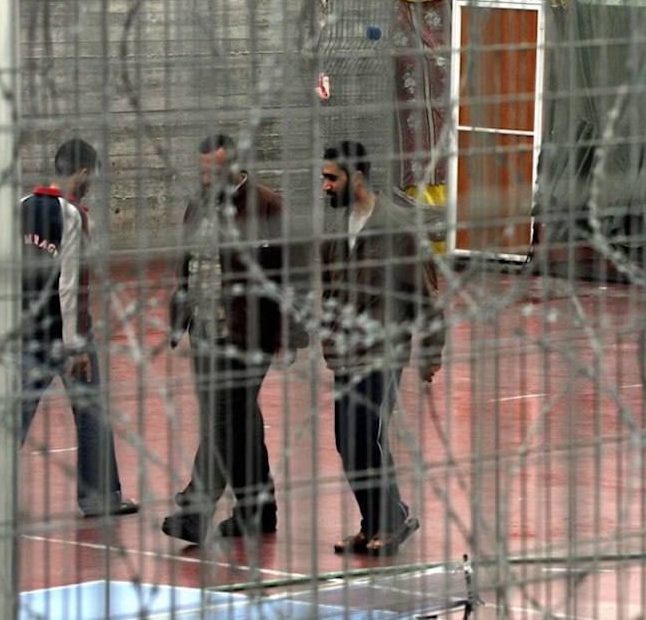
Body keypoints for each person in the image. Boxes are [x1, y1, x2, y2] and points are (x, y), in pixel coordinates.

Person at [161, 134, 309, 544]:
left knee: (223, 420)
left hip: (248, 337)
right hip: (204, 333)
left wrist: (290, 334)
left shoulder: (268, 207)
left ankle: (196, 508)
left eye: (214, 171)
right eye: (202, 171)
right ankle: (258, 512)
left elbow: (294, 275)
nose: (207, 178)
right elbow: (187, 265)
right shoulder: (198, 205)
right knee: (238, 422)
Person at [319, 141, 445, 556]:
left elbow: (426, 297)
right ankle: (373, 521)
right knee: (347, 443)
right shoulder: (337, 230)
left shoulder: (397, 229)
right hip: (345, 354)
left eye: (331, 178)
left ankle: (391, 520)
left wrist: (430, 354)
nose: (325, 186)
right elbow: (329, 290)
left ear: (356, 178)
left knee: (367, 440)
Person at [20, 138, 140, 518]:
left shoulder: (22, 206)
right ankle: (101, 498)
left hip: (26, 333)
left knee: (13, 418)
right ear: (84, 172)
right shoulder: (72, 215)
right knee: (91, 415)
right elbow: (68, 284)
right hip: (66, 333)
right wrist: (74, 345)